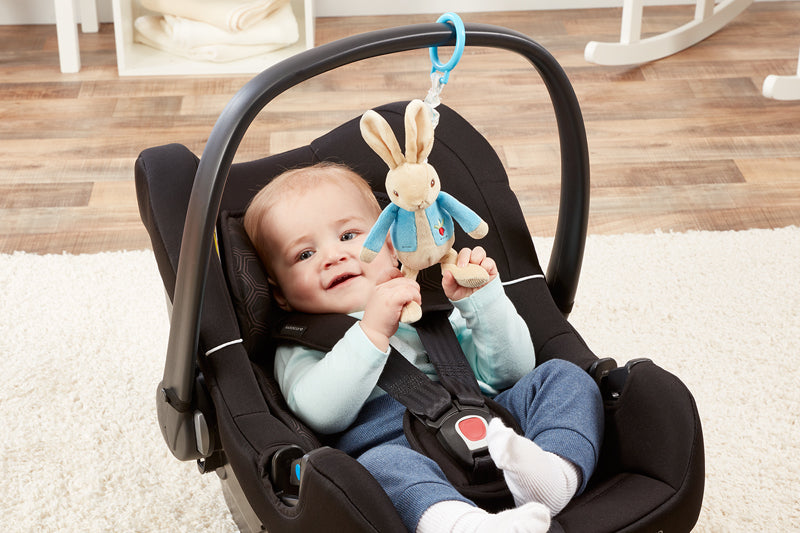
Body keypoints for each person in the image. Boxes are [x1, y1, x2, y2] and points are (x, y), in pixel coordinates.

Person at [244, 162, 604, 533]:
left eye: (349, 235)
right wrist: (371, 332)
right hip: (398, 448)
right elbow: (321, 413)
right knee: (373, 470)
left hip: (494, 424)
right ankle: (464, 526)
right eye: (304, 254)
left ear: (391, 247)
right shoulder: (300, 343)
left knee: (563, 377)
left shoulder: (431, 308)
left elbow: (511, 372)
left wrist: (484, 302)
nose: (332, 256)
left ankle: (553, 478)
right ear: (279, 293)